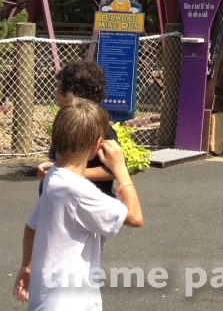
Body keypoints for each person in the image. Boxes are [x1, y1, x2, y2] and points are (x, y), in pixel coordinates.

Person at [13, 98, 143, 309]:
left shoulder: (53, 177)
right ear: (96, 145)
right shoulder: (79, 191)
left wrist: (26, 266)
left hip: (47, 299)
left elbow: (31, 225)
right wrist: (121, 170)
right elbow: (135, 217)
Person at [37, 61, 116, 197]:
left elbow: (115, 169)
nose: (55, 93)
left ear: (69, 94)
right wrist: (50, 167)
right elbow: (60, 158)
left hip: (90, 203)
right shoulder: (65, 122)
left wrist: (69, 173)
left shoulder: (101, 129)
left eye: (58, 87)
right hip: (60, 197)